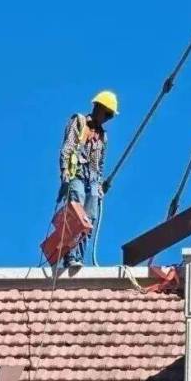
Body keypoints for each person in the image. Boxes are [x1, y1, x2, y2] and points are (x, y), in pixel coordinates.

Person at [58, 90, 118, 267]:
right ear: (98, 107)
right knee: (77, 211)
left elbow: (100, 163)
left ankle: (78, 257)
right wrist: (65, 171)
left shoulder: (103, 137)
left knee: (89, 218)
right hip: (77, 172)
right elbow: (68, 147)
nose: (106, 118)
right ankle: (70, 255)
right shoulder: (79, 121)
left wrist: (99, 184)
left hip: (92, 179)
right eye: (106, 113)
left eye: (109, 115)